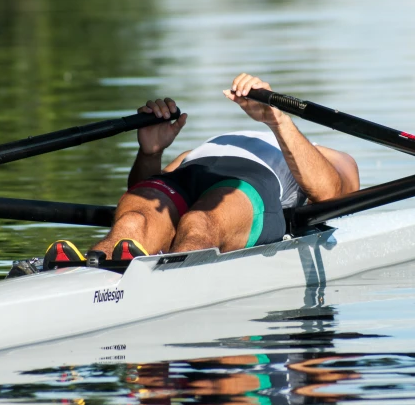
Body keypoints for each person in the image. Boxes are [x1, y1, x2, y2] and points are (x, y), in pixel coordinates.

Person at [43, 74, 360, 265]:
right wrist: (150, 152)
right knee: (130, 224)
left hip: (252, 181)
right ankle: (82, 275)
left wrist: (276, 119)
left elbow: (328, 192)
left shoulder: (325, 154)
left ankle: (176, 277)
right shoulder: (194, 151)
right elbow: (141, 191)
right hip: (188, 171)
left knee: (199, 224)